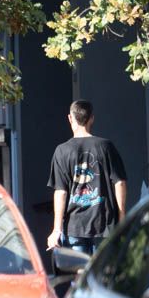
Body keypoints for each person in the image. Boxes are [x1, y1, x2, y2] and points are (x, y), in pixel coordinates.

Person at [46, 100, 128, 255]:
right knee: (102, 274)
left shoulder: (61, 151)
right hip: (104, 223)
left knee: (79, 274)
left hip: (74, 225)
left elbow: (61, 192)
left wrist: (56, 229)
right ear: (92, 118)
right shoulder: (106, 147)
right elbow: (120, 182)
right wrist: (122, 217)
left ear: (70, 118)